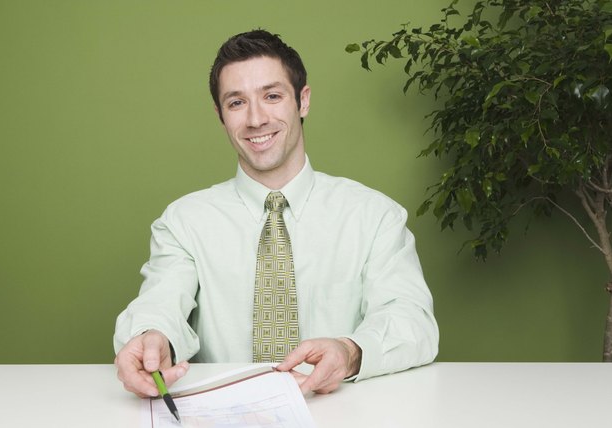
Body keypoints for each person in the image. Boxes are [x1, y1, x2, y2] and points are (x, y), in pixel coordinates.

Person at [113, 29, 438, 398]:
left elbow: (412, 321)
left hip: (341, 413)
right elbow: (161, 302)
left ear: (303, 101)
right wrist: (152, 338)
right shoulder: (184, 222)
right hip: (224, 416)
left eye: (271, 96)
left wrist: (349, 352)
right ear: (221, 116)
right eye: (236, 103)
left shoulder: (374, 215)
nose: (255, 119)